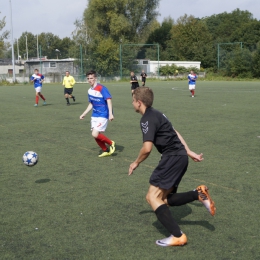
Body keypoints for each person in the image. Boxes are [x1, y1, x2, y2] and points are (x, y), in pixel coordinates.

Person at [129, 87, 216, 247]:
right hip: (180, 157)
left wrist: (136, 162)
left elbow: (147, 148)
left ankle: (177, 235)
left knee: (152, 197)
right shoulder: (158, 113)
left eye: (133, 100)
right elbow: (174, 132)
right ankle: (198, 193)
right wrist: (188, 152)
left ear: (139, 102)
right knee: (163, 199)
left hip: (172, 158)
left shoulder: (147, 119)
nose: (132, 103)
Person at [79, 70, 116, 158]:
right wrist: (84, 113)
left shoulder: (101, 88)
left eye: (91, 78)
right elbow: (91, 103)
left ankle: (111, 143)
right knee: (95, 135)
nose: (89, 80)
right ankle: (105, 150)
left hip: (103, 114)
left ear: (95, 78)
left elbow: (109, 100)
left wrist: (110, 114)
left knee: (95, 134)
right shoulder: (89, 91)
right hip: (95, 115)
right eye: (88, 78)